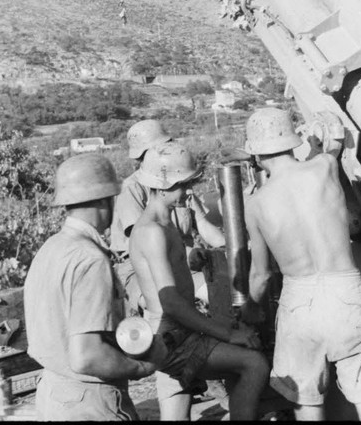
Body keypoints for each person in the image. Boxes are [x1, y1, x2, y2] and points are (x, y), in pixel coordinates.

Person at [239, 107, 361, 422]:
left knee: (307, 405)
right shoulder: (323, 167)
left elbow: (261, 275)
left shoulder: (255, 204)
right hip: (347, 293)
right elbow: (333, 142)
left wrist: (250, 311)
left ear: (254, 153)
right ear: (292, 140)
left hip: (299, 304)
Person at [129, 141, 269, 421]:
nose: (189, 191)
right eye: (183, 184)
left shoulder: (165, 223)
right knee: (255, 364)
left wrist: (192, 254)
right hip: (172, 338)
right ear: (162, 184)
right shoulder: (152, 231)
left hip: (179, 331)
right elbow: (170, 302)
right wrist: (227, 333)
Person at [24, 153, 166, 421]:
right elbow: (87, 356)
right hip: (88, 402)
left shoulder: (51, 248)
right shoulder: (90, 260)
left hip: (52, 394)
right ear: (105, 199)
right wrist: (141, 367)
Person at [110, 120, 227, 419]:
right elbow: (150, 246)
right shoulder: (133, 190)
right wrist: (190, 256)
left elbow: (204, 227)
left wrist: (233, 247)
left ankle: (209, 374)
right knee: (172, 318)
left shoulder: (179, 182)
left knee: (222, 296)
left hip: (181, 264)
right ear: (145, 156)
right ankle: (195, 376)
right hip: (140, 273)